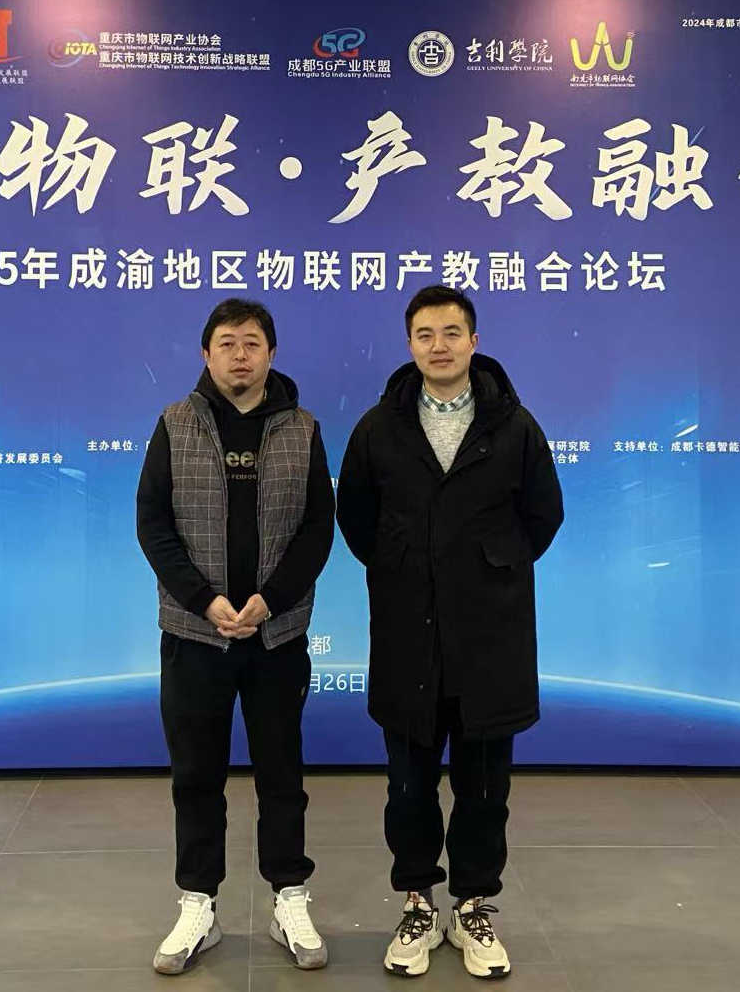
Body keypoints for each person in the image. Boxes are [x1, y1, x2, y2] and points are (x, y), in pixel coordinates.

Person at [336, 285, 564, 979]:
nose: (439, 346)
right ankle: (417, 903)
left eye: (452, 332)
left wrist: (491, 565)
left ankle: (472, 905)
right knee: (408, 788)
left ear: (474, 341)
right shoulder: (378, 427)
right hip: (407, 633)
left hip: (490, 637)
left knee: (484, 788)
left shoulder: (514, 426)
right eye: (426, 334)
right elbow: (356, 517)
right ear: (409, 344)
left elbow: (543, 515)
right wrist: (404, 566)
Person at [136, 298, 335, 974]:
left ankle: (289, 897)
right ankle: (199, 904)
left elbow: (317, 529)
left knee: (282, 774)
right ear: (206, 354)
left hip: (276, 638)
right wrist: (205, 600)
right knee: (197, 775)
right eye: (227, 343)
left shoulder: (303, 429)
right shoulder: (175, 423)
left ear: (271, 353)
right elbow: (153, 525)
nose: (240, 354)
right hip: (195, 635)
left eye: (252, 342)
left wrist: (269, 601)